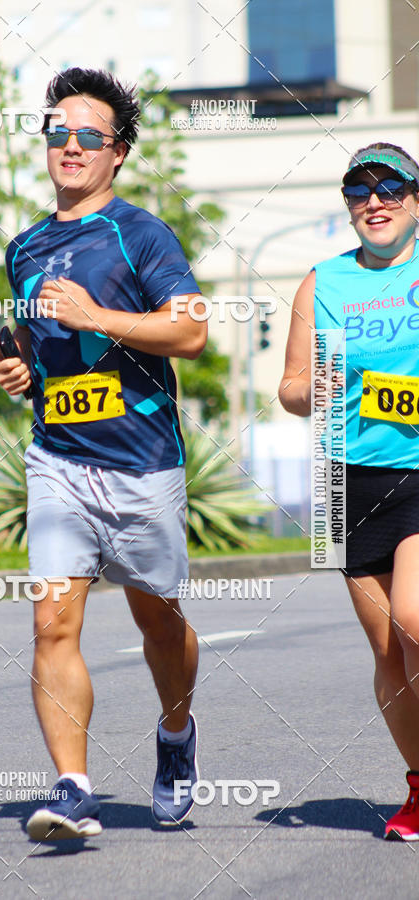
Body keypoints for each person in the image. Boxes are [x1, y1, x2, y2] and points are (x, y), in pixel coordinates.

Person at [0, 67, 207, 841]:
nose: (72, 145)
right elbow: (38, 348)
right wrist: (18, 367)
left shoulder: (142, 234)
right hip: (56, 461)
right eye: (59, 132)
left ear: (117, 153)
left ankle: (176, 732)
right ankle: (73, 787)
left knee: (159, 623)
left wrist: (99, 316)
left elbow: (191, 330)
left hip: (142, 463)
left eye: (90, 134)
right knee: (52, 622)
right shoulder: (23, 248)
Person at [279, 141, 419, 841]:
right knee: (389, 655)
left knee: (413, 618)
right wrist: (319, 386)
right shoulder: (322, 282)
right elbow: (289, 390)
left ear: (415, 200)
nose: (375, 201)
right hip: (344, 481)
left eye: (390, 188)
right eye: (359, 191)